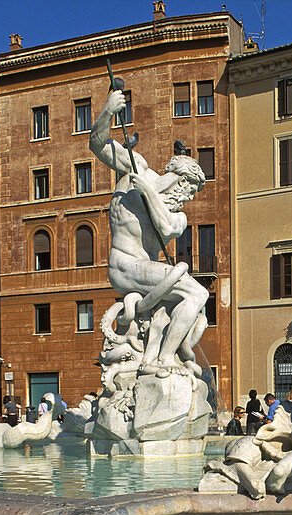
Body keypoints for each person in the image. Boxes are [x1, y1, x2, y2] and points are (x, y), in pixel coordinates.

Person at [89, 88, 209, 378]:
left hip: (146, 272)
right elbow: (97, 145)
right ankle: (166, 359)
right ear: (181, 180)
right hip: (125, 264)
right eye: (191, 190)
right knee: (198, 292)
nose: (190, 198)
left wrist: (149, 193)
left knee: (193, 312)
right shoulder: (136, 168)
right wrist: (108, 110)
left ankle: (163, 356)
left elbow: (165, 226)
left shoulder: (177, 217)